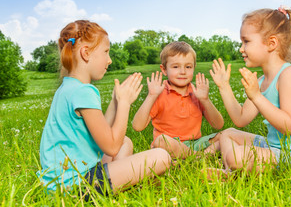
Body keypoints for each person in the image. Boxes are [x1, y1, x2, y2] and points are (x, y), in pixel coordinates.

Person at [37, 20, 171, 194]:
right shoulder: (84, 91)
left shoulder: (68, 87)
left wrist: (115, 101)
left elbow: (102, 133)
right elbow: (111, 147)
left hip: (61, 183)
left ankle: (117, 185)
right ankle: (118, 187)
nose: (109, 60)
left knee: (126, 143)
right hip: (77, 186)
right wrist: (124, 103)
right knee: (161, 156)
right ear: (86, 53)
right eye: (106, 52)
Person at [210, 6, 291, 174]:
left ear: (271, 43)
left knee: (236, 155)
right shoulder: (262, 81)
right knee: (228, 134)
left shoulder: (288, 75)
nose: (241, 48)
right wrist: (224, 87)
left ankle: (231, 168)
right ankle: (229, 171)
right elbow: (240, 119)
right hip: (274, 147)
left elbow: (290, 125)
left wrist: (256, 96)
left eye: (246, 41)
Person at [132, 41, 224, 159]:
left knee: (225, 135)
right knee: (161, 141)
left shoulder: (197, 92)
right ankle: (200, 157)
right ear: (164, 69)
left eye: (188, 67)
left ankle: (194, 156)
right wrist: (151, 96)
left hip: (195, 143)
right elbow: (137, 126)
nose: (183, 71)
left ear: (194, 68)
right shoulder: (159, 93)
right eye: (176, 66)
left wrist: (205, 99)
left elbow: (218, 124)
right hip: (169, 145)